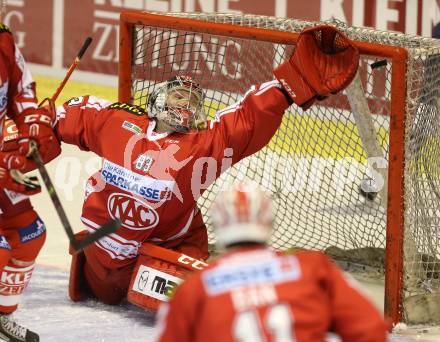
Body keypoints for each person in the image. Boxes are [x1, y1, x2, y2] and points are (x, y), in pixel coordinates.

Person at [58, 25, 360, 311]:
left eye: (193, 101)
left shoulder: (202, 145)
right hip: (100, 256)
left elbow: (246, 121)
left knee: (201, 310)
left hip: (162, 255)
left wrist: (288, 87)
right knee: (105, 288)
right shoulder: (118, 124)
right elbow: (60, 119)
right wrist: (30, 128)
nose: (186, 104)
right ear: (157, 99)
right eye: (179, 96)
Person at [153, 183, 389, 342]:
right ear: (268, 221)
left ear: (218, 226)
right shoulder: (313, 269)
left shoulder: (193, 288)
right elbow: (372, 329)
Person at [0, 21, 60, 342]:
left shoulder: (3, 41)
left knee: (29, 232)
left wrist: (32, 125)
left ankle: (2, 315)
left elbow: (21, 91)